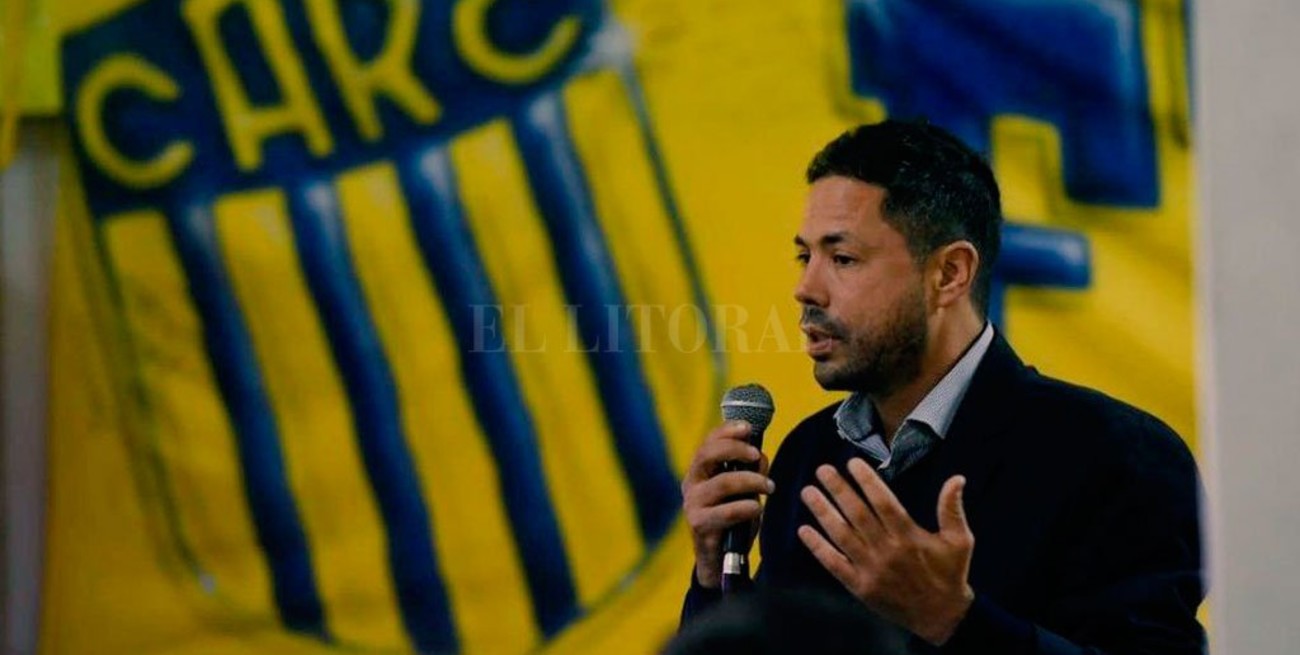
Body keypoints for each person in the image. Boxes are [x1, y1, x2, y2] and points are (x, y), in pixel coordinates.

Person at [679, 120, 1205, 654]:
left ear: (950, 274)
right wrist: (712, 576)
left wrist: (955, 621)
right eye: (804, 256)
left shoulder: (1120, 458)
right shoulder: (806, 457)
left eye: (842, 259)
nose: (805, 288)